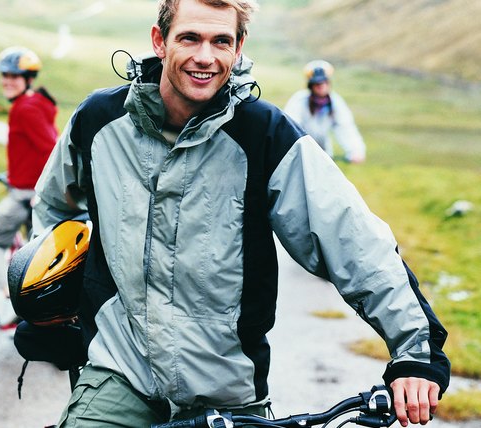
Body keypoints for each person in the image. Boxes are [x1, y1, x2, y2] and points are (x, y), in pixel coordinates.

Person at [31, 1, 450, 427]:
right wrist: (48, 307)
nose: (205, 57)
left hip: (227, 393)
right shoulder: (99, 121)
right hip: (120, 371)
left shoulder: (264, 134)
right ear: (160, 41)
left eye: (221, 41)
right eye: (190, 38)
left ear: (239, 47)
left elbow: (352, 239)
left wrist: (416, 354)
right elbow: (52, 209)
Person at [0, 46, 58, 328]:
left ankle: (13, 298)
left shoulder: (25, 108)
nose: (7, 80)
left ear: (28, 78)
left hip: (26, 195)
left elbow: (51, 149)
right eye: (4, 75)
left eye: (14, 76)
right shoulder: (37, 103)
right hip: (30, 189)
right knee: (36, 256)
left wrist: (39, 191)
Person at [284, 59, 366, 163]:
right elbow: (291, 127)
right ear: (311, 85)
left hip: (325, 155)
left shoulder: (335, 102)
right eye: (317, 83)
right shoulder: (299, 101)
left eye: (324, 82)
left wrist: (356, 151)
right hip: (301, 154)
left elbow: (345, 127)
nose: (321, 86)